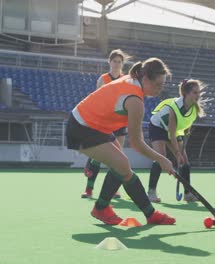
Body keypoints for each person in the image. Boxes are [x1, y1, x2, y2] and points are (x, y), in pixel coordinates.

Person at [66, 57, 176, 225]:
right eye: (158, 85)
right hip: (82, 127)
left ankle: (150, 214)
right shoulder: (135, 100)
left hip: (97, 126)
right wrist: (162, 159)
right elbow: (137, 142)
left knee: (123, 168)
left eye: (162, 85)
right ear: (146, 79)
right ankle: (101, 208)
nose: (160, 90)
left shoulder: (133, 80)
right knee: (122, 165)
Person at [147, 79, 207, 203]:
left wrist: (186, 132)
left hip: (174, 130)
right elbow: (172, 134)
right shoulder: (175, 107)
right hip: (158, 126)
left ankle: (188, 193)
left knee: (184, 162)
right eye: (195, 92)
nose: (198, 95)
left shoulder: (194, 108)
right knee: (161, 158)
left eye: (199, 92)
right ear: (186, 93)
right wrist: (177, 153)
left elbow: (186, 123)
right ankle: (151, 192)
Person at [81, 49, 130, 199]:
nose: (116, 64)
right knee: (99, 156)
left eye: (119, 62)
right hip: (105, 121)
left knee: (117, 156)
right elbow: (97, 100)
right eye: (114, 61)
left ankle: (113, 190)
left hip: (120, 121)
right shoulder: (103, 79)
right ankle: (89, 189)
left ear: (122, 64)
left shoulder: (126, 79)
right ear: (109, 62)